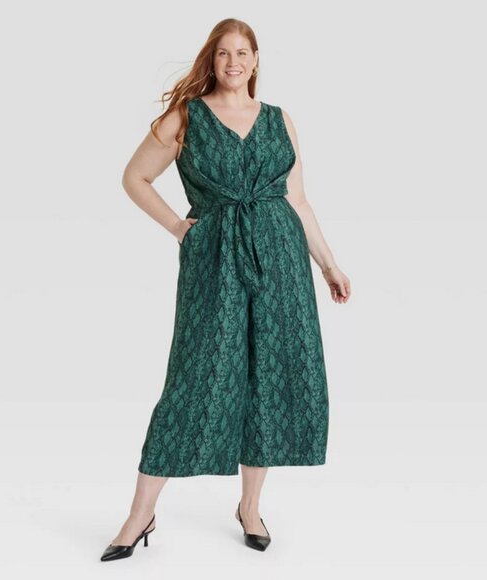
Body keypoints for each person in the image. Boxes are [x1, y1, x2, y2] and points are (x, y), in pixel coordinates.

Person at [101, 18, 351, 562]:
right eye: (223, 54)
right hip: (214, 259)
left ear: (256, 60)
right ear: (211, 61)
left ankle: (250, 507)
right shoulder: (186, 117)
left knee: (269, 378)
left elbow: (298, 200)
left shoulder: (280, 119)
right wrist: (178, 227)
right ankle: (140, 514)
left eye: (242, 52)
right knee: (195, 377)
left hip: (282, 261)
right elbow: (134, 178)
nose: (233, 62)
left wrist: (329, 263)